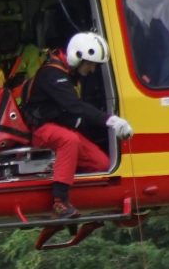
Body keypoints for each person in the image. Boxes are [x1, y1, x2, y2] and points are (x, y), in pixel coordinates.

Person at [20, 31, 132, 216]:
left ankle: (65, 176)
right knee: (69, 140)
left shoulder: (66, 74)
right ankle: (60, 200)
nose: (92, 70)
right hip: (42, 130)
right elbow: (74, 106)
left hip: (61, 128)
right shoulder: (52, 75)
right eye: (90, 65)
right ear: (78, 57)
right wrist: (111, 120)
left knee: (102, 164)